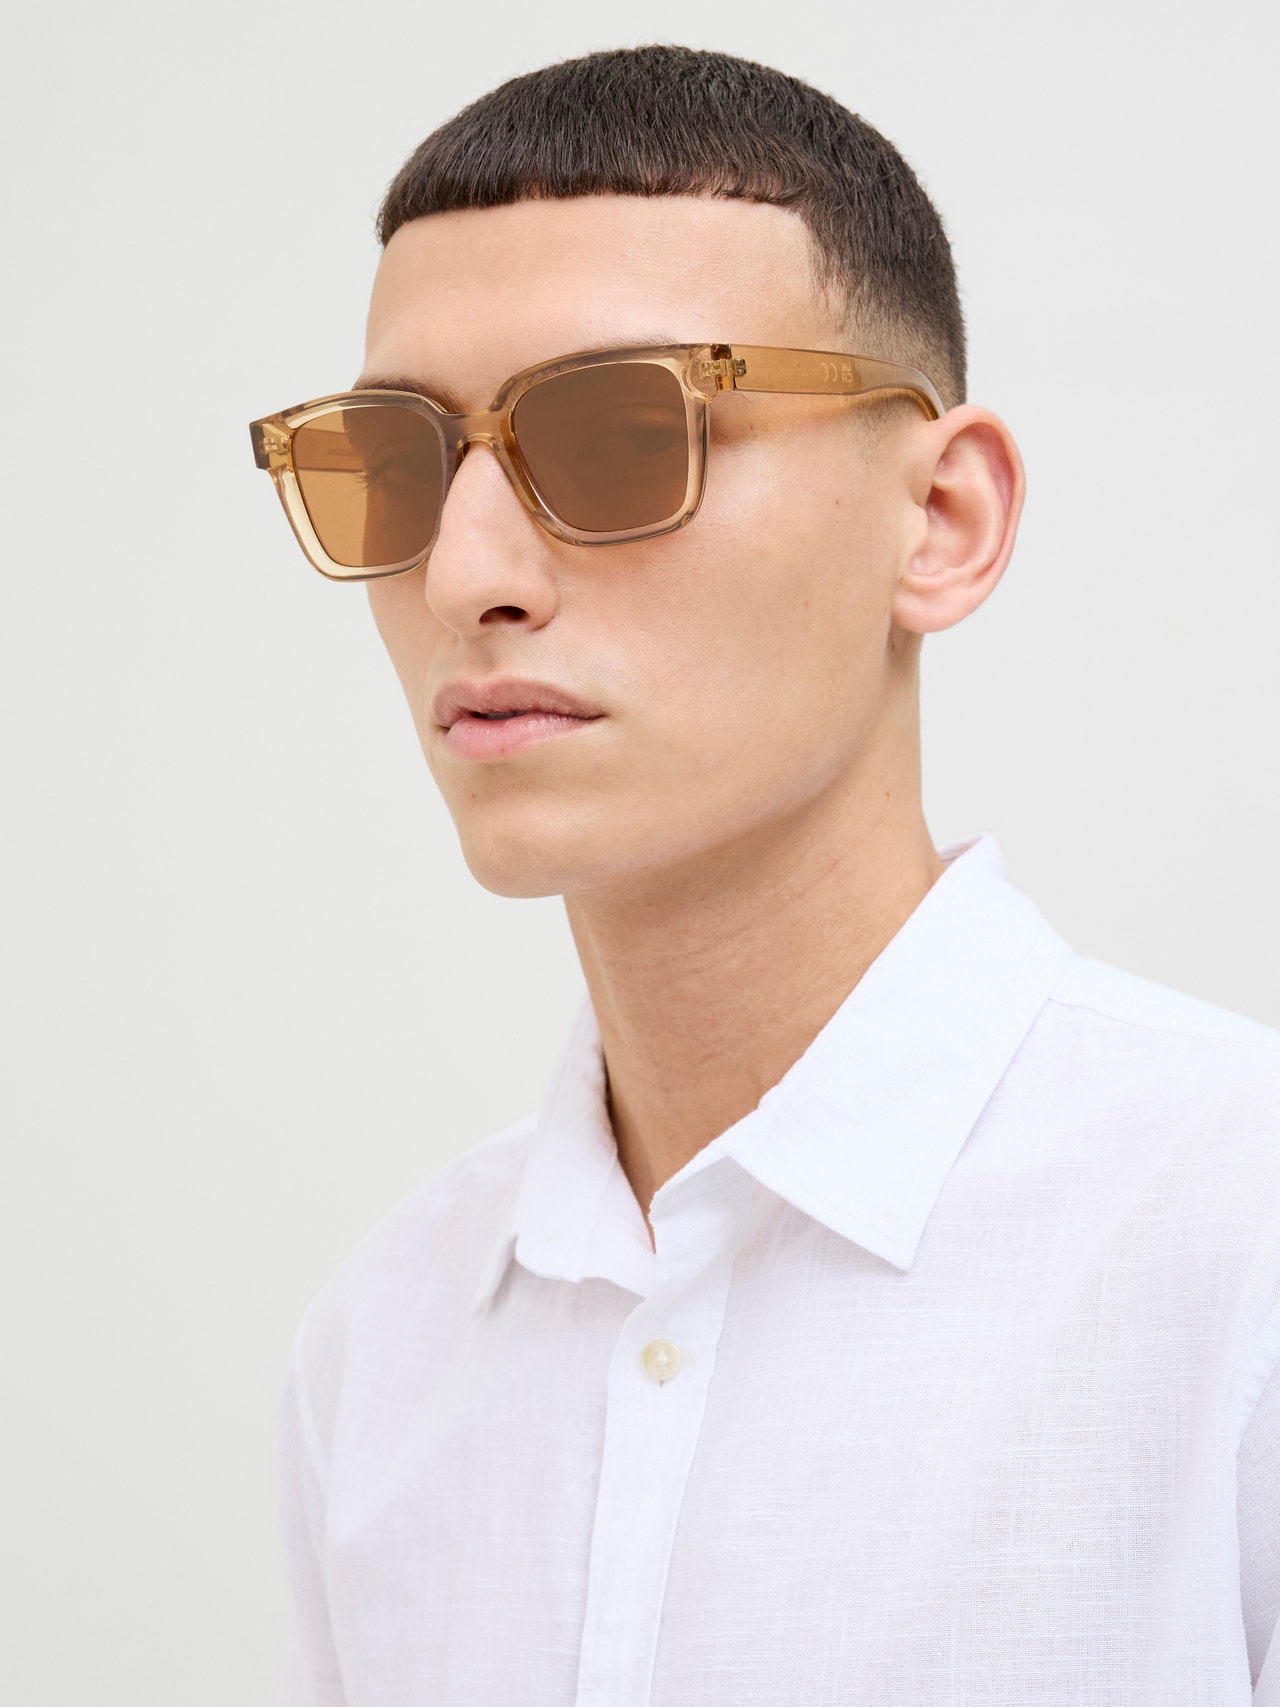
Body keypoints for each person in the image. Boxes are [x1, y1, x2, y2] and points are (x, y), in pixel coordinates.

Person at [251, 44, 1280, 1707]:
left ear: (940, 518)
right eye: (398, 460)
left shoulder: (1242, 1252)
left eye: (618, 434)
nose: (465, 575)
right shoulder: (378, 1361)